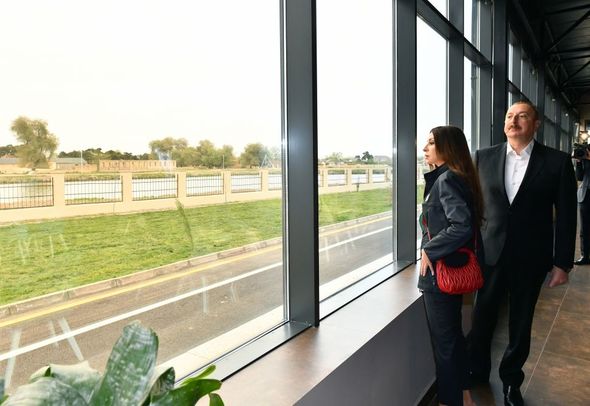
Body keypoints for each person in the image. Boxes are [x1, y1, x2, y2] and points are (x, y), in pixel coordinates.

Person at [467, 100, 577, 406]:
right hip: (490, 255)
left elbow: (567, 217)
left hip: (531, 258)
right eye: (509, 116)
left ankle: (511, 382)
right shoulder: (483, 157)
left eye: (522, 116)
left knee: (520, 323)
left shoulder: (557, 162)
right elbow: (473, 207)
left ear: (536, 124)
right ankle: (477, 370)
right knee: (482, 318)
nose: (514, 121)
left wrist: (562, 263)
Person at [419, 125, 484, 406]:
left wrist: (429, 249)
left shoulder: (445, 180)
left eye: (431, 143)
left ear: (448, 147)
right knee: (454, 338)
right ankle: (465, 395)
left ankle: (449, 401)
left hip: (440, 275)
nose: (425, 148)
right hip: (452, 270)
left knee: (444, 345)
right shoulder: (457, 176)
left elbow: (461, 225)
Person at [574, 147, 590, 265]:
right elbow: (579, 177)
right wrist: (579, 162)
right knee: (584, 228)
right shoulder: (584, 159)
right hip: (585, 195)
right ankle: (585, 256)